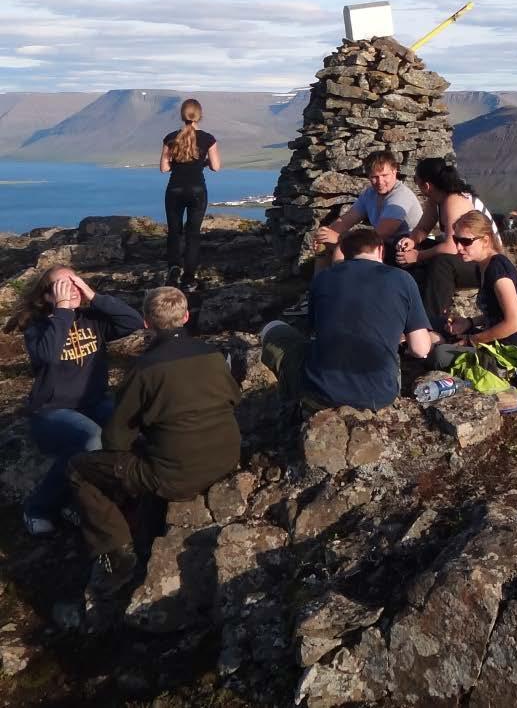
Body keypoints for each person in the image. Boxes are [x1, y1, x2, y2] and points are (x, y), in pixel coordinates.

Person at [68, 286, 241, 597]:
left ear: (146, 322)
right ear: (186, 316)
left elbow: (116, 438)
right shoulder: (214, 355)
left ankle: (116, 551)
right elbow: (233, 398)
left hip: (175, 476)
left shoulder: (144, 369)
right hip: (226, 458)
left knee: (79, 470)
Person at [4, 266, 144, 537]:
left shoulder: (92, 318)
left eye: (75, 283)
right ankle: (38, 508)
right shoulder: (38, 327)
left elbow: (133, 321)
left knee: (132, 426)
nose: (72, 290)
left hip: (93, 402)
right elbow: (48, 356)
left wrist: (93, 295)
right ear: (47, 296)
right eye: (63, 286)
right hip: (52, 411)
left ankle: (110, 499)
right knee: (93, 440)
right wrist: (63, 311)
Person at [262, 227, 431, 412]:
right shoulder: (403, 279)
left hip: (321, 391)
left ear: (344, 251)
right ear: (381, 250)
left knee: (273, 327)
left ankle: (290, 400)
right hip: (379, 395)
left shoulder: (324, 278)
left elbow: (314, 331)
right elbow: (421, 349)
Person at [395, 157, 500, 331]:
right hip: (467, 254)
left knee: (442, 264)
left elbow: (452, 247)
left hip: (485, 262)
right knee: (408, 248)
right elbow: (423, 228)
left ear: (426, 185)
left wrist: (417, 256)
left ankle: (430, 323)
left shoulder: (454, 201)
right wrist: (411, 241)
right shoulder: (437, 200)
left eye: (417, 180)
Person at [431, 210, 517, 370]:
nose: (459, 247)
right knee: (437, 323)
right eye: (456, 239)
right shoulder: (482, 266)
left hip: (512, 354)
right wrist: (470, 322)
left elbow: (515, 322)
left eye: (466, 241)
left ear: (486, 240)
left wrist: (472, 339)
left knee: (438, 356)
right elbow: (497, 313)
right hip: (496, 342)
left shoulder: (498, 270)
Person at [313, 150, 422, 267]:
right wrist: (326, 234)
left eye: (384, 175)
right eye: (374, 177)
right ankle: (321, 284)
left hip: (404, 249)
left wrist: (340, 238)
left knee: (342, 249)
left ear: (394, 172)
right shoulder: (369, 194)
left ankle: (342, 282)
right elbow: (347, 219)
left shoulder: (400, 195)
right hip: (383, 244)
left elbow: (382, 233)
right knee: (325, 245)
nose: (380, 182)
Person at [160, 98, 221, 303]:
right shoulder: (208, 139)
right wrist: (201, 162)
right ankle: (189, 278)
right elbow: (216, 167)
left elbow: (164, 168)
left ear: (182, 115)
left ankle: (173, 270)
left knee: (174, 232)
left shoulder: (170, 137)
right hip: (197, 191)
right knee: (193, 234)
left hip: (174, 190)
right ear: (199, 115)